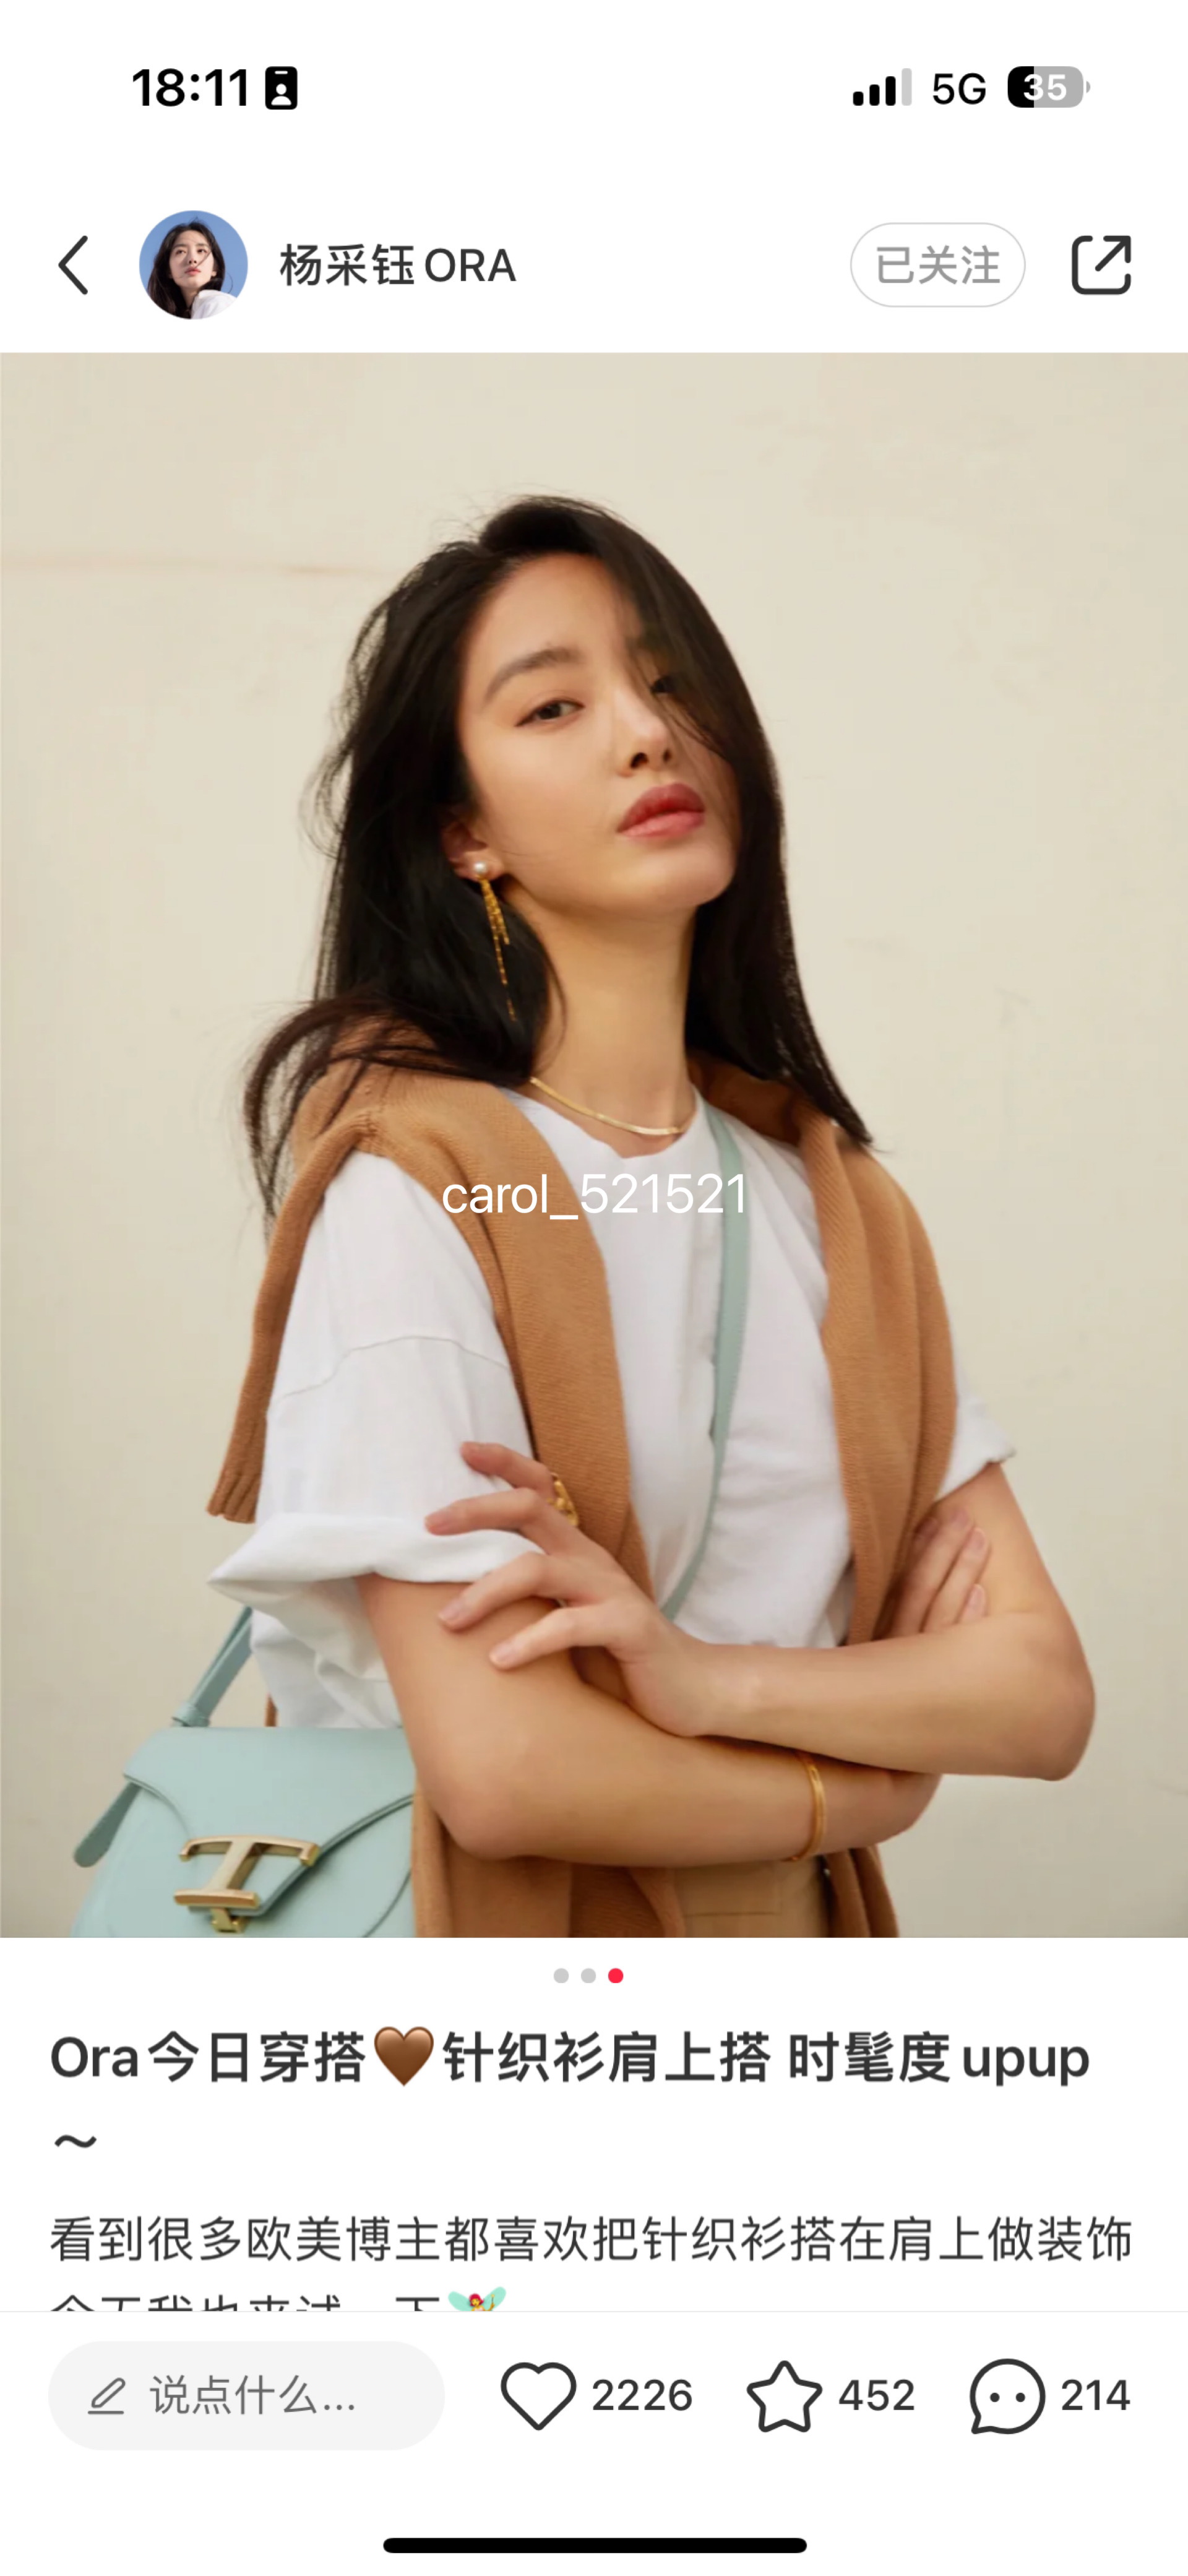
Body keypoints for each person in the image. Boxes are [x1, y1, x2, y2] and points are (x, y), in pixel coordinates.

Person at [207, 495, 1094, 1937]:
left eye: (669, 681)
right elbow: (508, 1772)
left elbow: (1040, 1693)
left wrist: (699, 1679)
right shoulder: (413, 1188)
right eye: (554, 705)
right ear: (463, 832)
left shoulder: (835, 1205)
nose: (644, 732)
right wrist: (865, 1784)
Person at [146, 222, 236, 320]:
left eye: (201, 251)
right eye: (181, 252)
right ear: (168, 270)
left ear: (215, 268)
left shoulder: (219, 304)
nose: (192, 259)